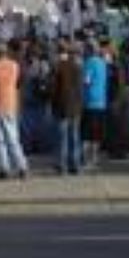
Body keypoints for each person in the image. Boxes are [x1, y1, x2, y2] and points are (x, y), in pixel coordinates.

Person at [0, 42, 28, 180]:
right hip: (10, 104)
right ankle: (22, 167)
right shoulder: (14, 66)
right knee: (13, 138)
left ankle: (3, 168)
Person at [50, 40, 84, 175]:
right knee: (74, 137)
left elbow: (54, 89)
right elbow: (81, 90)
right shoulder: (79, 68)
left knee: (62, 138)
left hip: (61, 106)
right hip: (75, 107)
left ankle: (62, 165)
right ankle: (74, 165)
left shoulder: (59, 67)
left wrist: (53, 103)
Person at [81, 41, 109, 170]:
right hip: (101, 102)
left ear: (88, 50)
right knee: (97, 134)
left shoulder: (89, 63)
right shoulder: (103, 63)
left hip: (89, 101)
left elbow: (86, 81)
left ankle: (87, 160)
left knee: (87, 133)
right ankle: (95, 159)